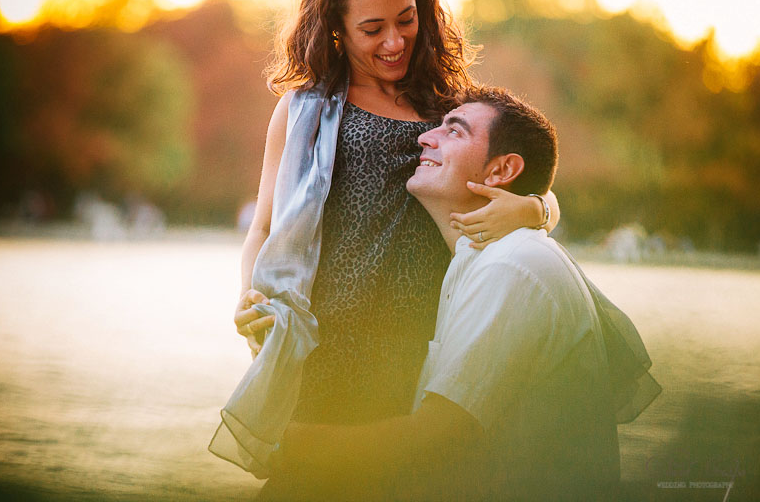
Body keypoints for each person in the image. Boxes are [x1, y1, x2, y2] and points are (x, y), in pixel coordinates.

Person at [211, 0, 559, 482]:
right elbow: (266, 225)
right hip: (321, 346)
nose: (394, 41)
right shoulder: (304, 110)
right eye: (372, 29)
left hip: (417, 346)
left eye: (406, 19)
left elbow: (524, 178)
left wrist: (536, 211)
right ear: (336, 28)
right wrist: (247, 295)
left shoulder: (449, 107)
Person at [276, 86, 660, 501]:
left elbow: (439, 436)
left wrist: (298, 445)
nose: (424, 138)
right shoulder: (474, 261)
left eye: (454, 132)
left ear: (500, 172)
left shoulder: (512, 265)